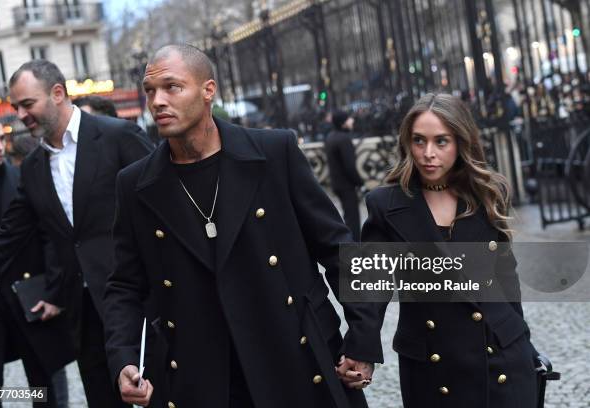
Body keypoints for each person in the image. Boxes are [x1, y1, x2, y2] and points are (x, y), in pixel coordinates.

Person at [103, 44, 385, 408]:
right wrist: (124, 358)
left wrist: (362, 339)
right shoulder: (135, 184)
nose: (157, 101)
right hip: (200, 377)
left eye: (172, 87)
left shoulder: (273, 152)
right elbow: (124, 284)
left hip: (296, 359)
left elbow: (338, 249)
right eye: (150, 91)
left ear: (208, 90)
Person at [0, 60, 153, 407]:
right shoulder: (32, 168)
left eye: (27, 104)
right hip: (83, 313)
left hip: (140, 301)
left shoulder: (118, 137)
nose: (21, 115)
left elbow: (164, 204)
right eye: (16, 107)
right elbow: (8, 235)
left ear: (58, 93)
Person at [362, 93, 540, 407]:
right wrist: (362, 350)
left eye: (441, 141)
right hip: (433, 366)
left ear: (460, 142)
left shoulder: (487, 193)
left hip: (500, 357)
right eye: (419, 141)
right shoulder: (386, 205)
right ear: (407, 142)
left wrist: (522, 343)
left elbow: (506, 280)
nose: (428, 153)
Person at [0, 114, 74, 408]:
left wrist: (53, 291)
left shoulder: (22, 178)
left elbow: (51, 236)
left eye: (1, 139)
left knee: (42, 381)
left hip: (27, 293)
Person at [325, 110, 364, 241]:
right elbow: (349, 167)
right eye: (349, 119)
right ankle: (354, 249)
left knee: (348, 217)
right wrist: (360, 182)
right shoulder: (344, 139)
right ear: (343, 123)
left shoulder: (331, 137)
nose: (352, 121)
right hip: (347, 185)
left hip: (337, 184)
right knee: (353, 220)